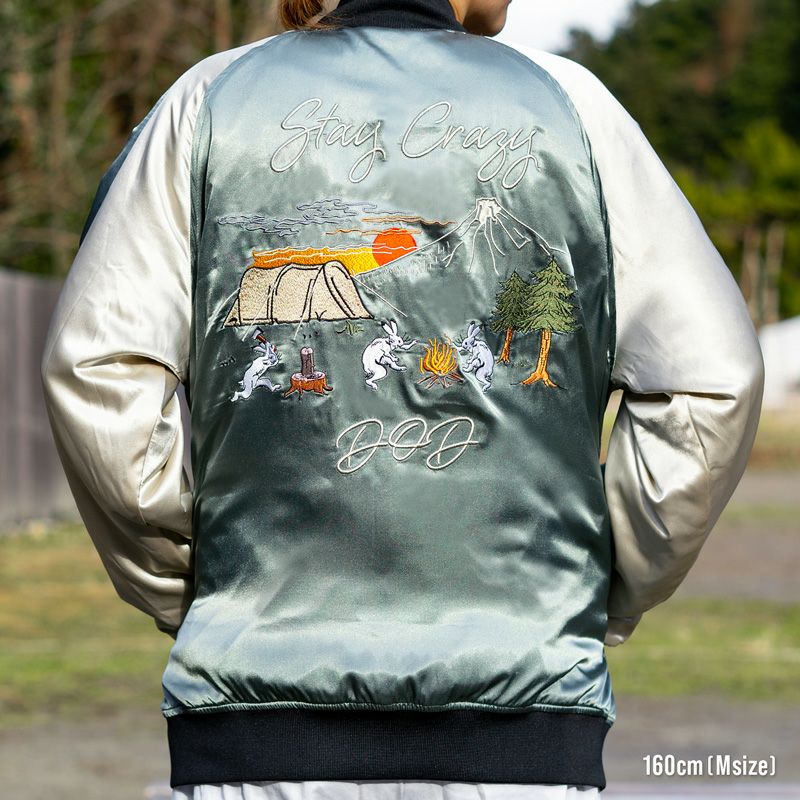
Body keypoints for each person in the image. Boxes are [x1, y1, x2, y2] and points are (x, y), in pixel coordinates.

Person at [39, 0, 765, 798]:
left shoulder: (209, 102)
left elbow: (99, 370)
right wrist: (585, 582)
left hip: (255, 736)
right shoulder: (576, 111)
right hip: (524, 732)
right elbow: (709, 383)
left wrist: (207, 582)